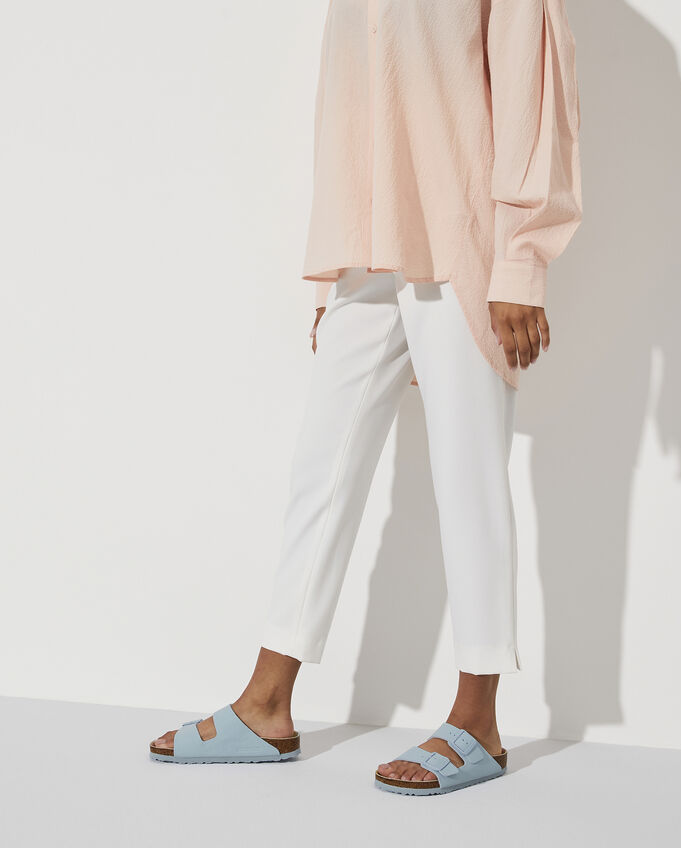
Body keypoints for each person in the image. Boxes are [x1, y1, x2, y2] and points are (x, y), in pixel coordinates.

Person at [149, 0, 582, 796]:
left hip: (459, 240)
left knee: (469, 477)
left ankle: (479, 719)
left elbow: (534, 93)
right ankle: (267, 704)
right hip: (367, 246)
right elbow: (350, 101)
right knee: (322, 468)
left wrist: (521, 263)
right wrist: (334, 272)